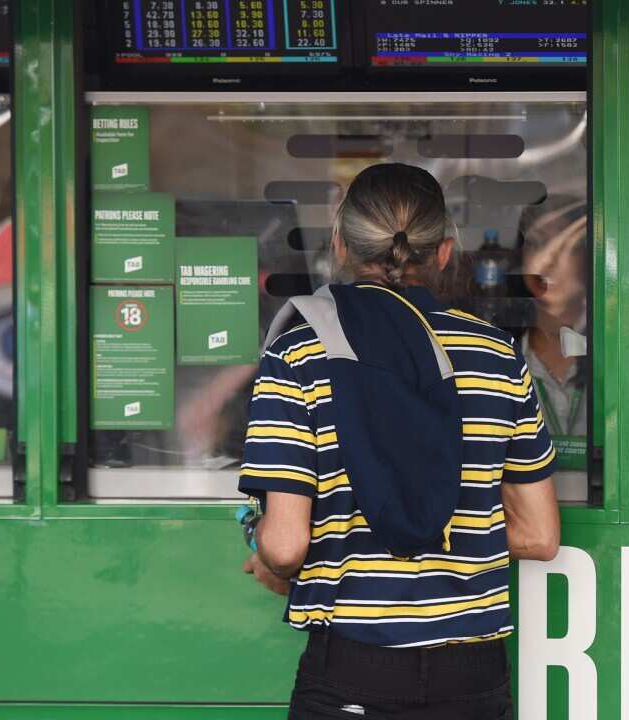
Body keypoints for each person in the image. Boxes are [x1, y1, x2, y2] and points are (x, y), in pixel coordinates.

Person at [238, 163, 560, 719]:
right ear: (443, 252)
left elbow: (285, 547)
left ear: (339, 245)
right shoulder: (496, 356)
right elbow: (538, 534)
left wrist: (267, 550)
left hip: (353, 675)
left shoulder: (298, 356)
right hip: (474, 677)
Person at [516, 198, 588, 466]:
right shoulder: (500, 353)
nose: (546, 261)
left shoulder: (615, 349)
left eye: (566, 245)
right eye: (536, 244)